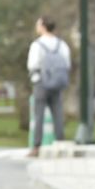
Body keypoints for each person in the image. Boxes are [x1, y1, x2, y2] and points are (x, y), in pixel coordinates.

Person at [26, 16, 72, 156]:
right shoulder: (61, 44)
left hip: (41, 82)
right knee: (57, 113)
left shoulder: (37, 45)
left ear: (43, 26)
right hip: (57, 83)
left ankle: (36, 146)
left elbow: (32, 64)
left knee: (38, 114)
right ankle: (60, 142)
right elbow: (67, 64)